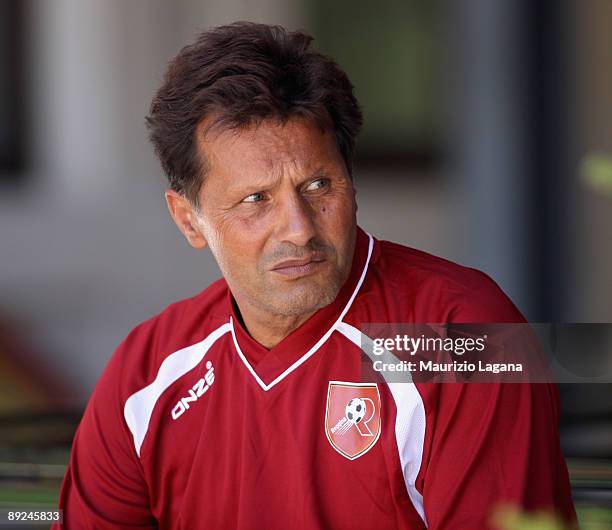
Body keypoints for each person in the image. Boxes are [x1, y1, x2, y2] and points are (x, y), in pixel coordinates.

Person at [53, 21, 577, 530]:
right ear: (189, 219)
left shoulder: (465, 334)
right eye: (255, 200)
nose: (299, 230)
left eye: (319, 185)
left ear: (352, 181)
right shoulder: (147, 375)